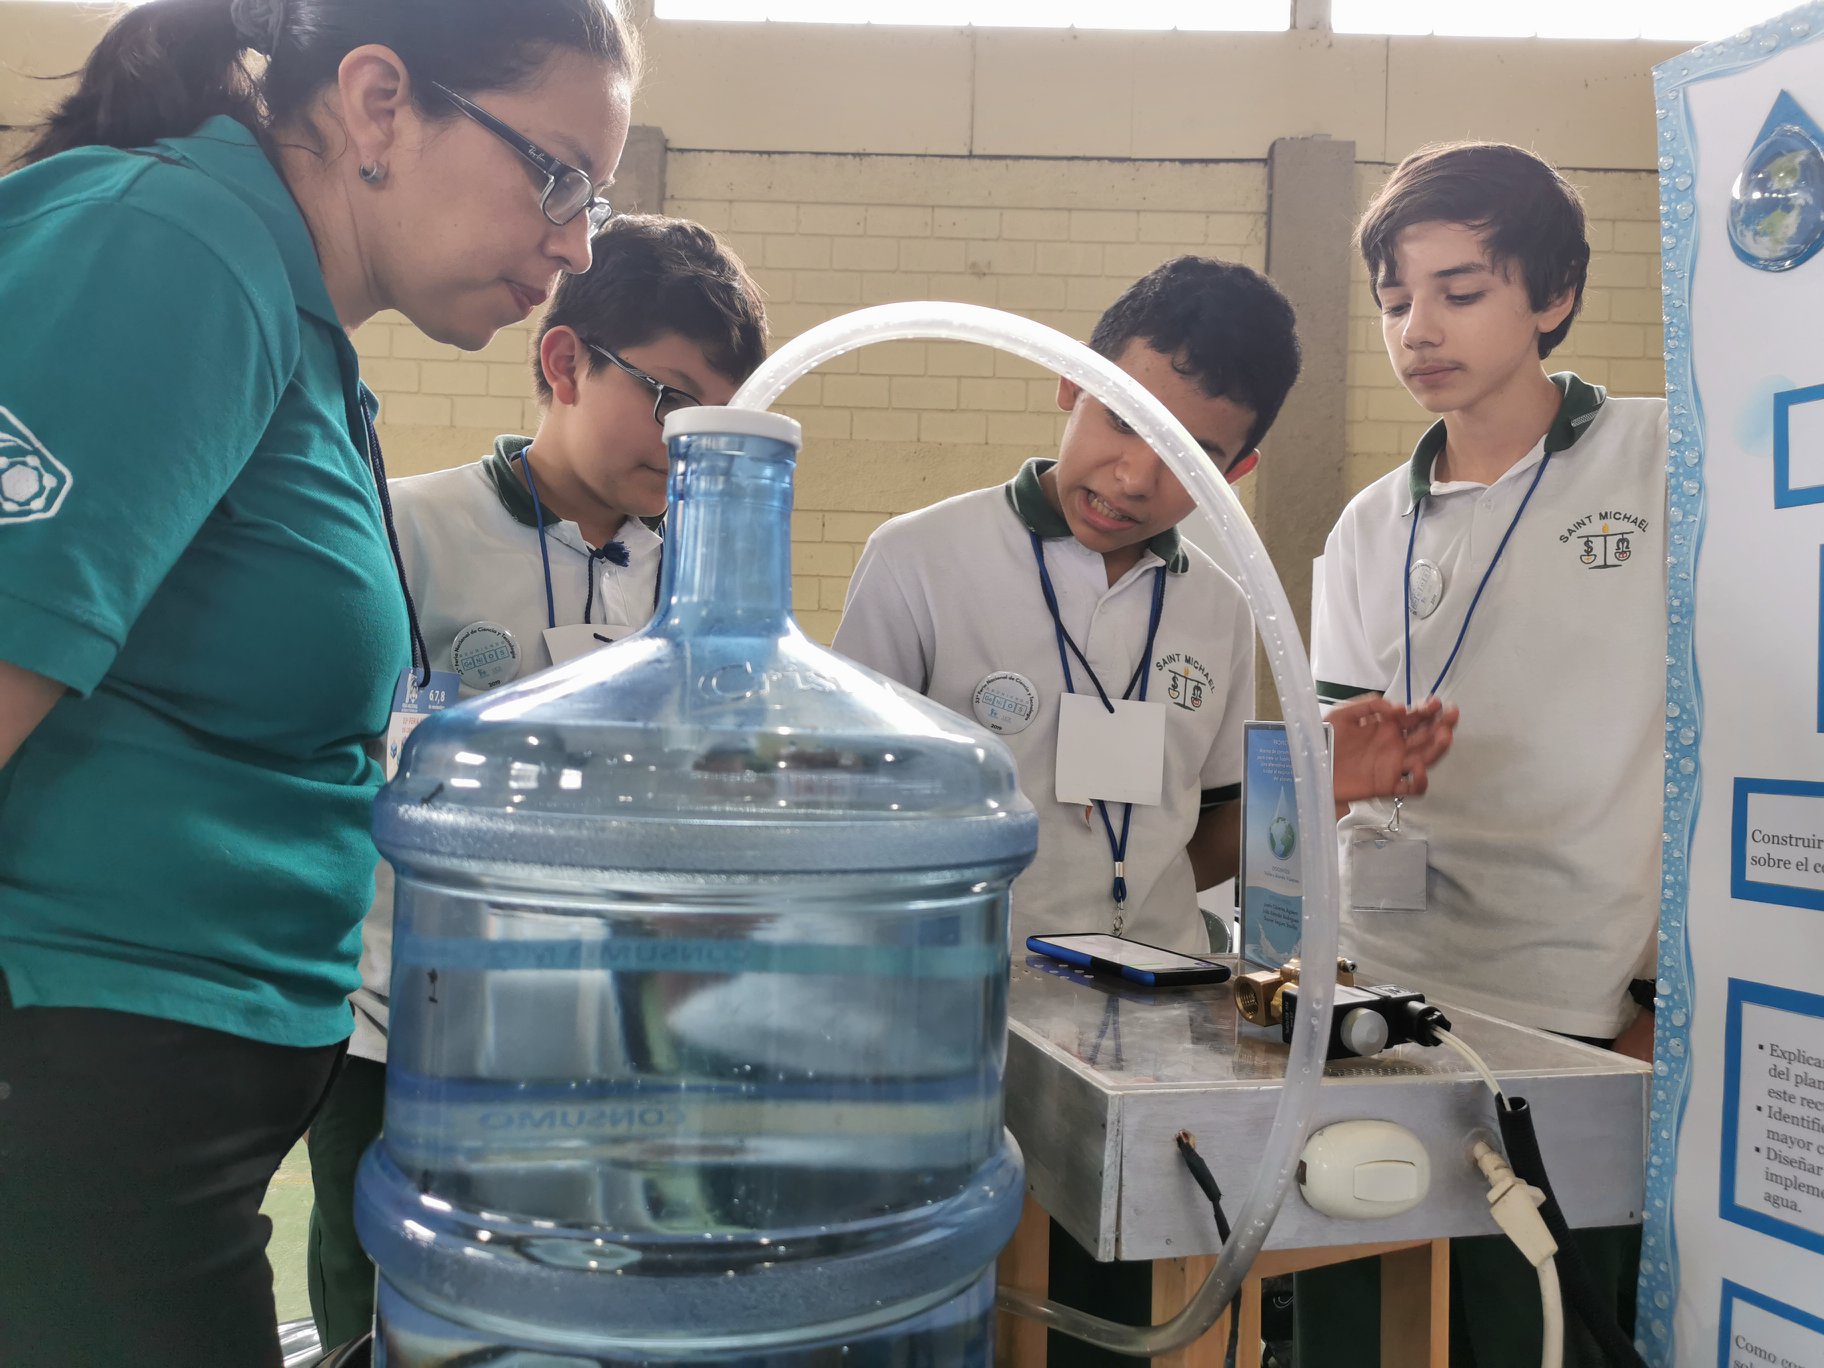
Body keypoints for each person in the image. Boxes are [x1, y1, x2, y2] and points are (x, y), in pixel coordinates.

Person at [0, 1, 640, 1363]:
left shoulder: (292, 328)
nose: (578, 243)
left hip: (158, 1123)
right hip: (72, 1099)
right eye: (559, 175)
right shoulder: (170, 252)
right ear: (377, 100)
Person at [304, 213, 769, 1349]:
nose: (690, 440)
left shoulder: (702, 584)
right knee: (381, 1288)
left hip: (616, 1036)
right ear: (563, 361)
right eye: (670, 398)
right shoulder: (406, 530)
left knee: (578, 1299)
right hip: (396, 1021)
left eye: (720, 415)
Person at [1302, 140, 1666, 1367]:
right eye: (1397, 301)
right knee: (1367, 1320)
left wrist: (1666, 1003)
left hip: (1577, 1012)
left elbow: (1739, 747)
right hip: (1385, 1003)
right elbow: (1329, 772)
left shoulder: (1665, 466)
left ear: (1552, 295)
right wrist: (1347, 767)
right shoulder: (1368, 526)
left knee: (1549, 1330)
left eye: (1461, 291)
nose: (1420, 331)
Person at [833, 256, 1456, 955]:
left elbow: (1196, 841)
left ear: (1233, 475)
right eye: (1122, 419)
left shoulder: (1219, 607)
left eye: (1189, 455)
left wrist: (1316, 789)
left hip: (1158, 1012)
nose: (1134, 478)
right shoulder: (919, 560)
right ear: (1072, 383)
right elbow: (839, 821)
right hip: (961, 994)